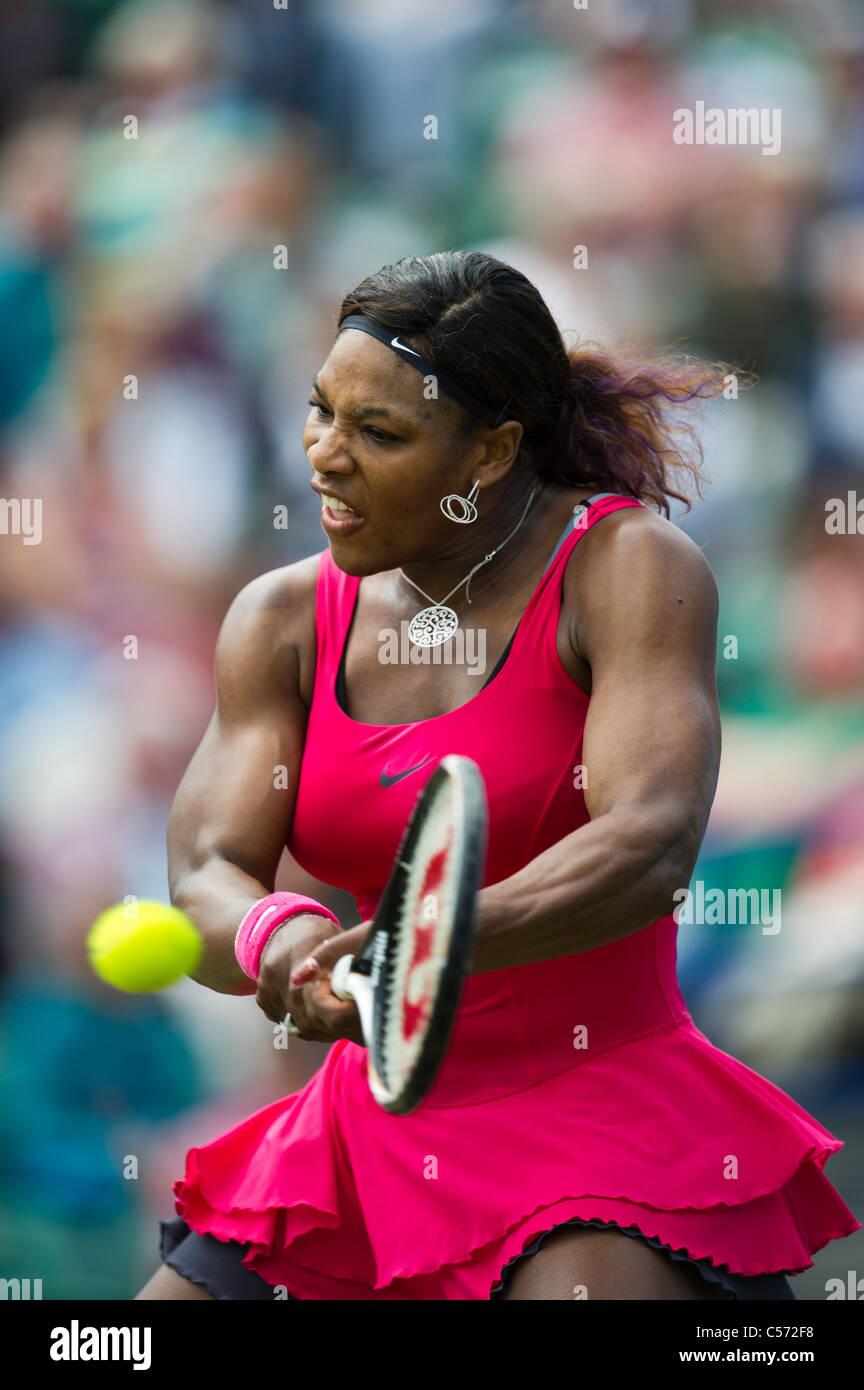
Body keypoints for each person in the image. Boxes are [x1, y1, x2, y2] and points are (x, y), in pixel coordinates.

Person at [136, 251, 859, 1300]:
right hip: (359, 1137)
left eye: (377, 434)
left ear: (489, 454)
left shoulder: (629, 569)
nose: (325, 458)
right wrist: (288, 946)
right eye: (319, 412)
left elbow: (649, 843)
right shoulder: (280, 618)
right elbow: (207, 866)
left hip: (601, 1119)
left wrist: (423, 946)